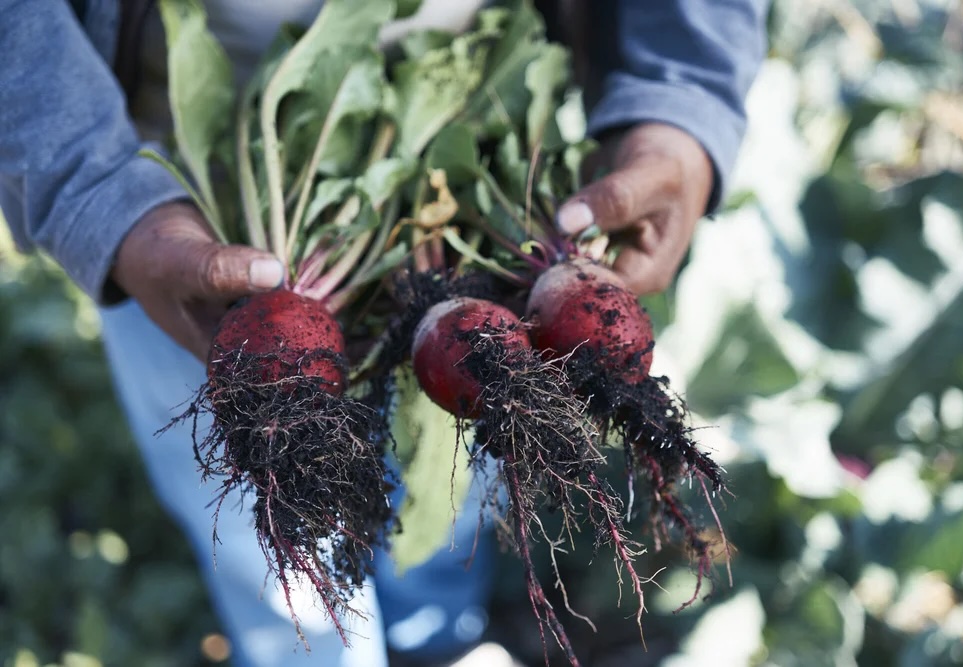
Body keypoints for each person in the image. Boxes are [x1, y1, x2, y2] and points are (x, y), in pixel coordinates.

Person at [0, 0, 769, 665]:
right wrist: (97, 191)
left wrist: (682, 98)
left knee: (459, 467)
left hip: (473, 162)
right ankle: (305, 644)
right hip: (182, 225)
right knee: (258, 522)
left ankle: (436, 633)